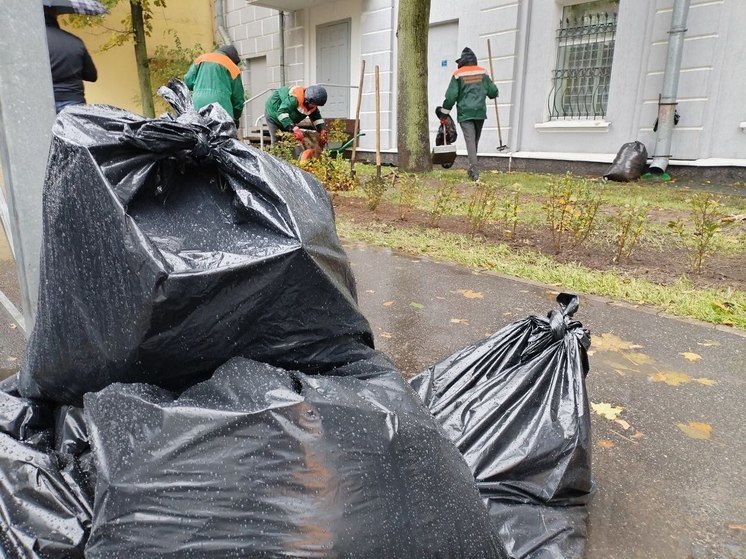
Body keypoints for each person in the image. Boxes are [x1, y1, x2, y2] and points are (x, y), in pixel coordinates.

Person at [439, 47, 498, 182]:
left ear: (463, 61)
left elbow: (451, 96)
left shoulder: (458, 74)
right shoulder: (483, 72)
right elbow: (492, 92)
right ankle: (473, 168)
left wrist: (444, 112)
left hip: (465, 113)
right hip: (480, 112)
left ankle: (474, 171)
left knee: (470, 141)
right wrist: (493, 89)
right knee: (474, 140)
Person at [44, 7, 98, 114]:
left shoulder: (30, 44)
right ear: (56, 14)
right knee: (73, 131)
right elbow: (92, 76)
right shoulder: (76, 42)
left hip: (42, 100)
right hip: (73, 101)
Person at [184, 45, 245, 125]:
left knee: (199, 132)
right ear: (232, 58)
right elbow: (238, 99)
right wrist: (235, 118)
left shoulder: (201, 59)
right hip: (221, 106)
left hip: (198, 103)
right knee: (222, 134)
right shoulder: (232, 67)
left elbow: (188, 82)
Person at [264, 85, 328, 148]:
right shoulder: (294, 99)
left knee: (290, 142)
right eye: (314, 104)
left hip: (289, 118)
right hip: (273, 115)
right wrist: (294, 128)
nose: (315, 106)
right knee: (276, 142)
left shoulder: (313, 104)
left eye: (317, 105)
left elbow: (317, 118)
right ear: (307, 100)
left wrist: (322, 130)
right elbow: (281, 113)